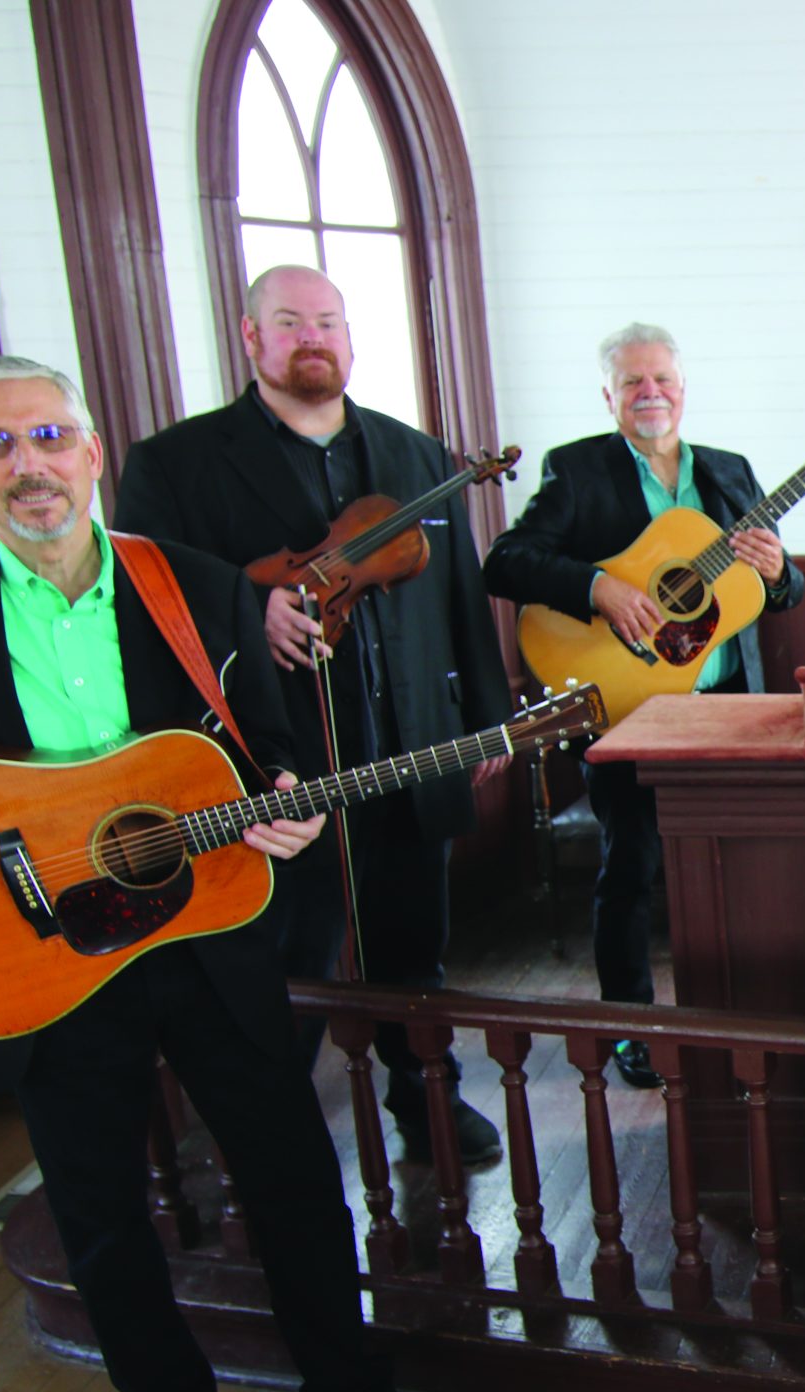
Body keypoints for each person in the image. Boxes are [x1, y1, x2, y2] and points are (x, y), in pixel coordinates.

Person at [0, 356, 476, 1392]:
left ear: (92, 452)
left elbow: (265, 751)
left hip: (203, 930)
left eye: (51, 436)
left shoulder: (196, 586)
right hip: (41, 953)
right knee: (100, 1199)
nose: (31, 466)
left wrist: (288, 805)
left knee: (288, 1170)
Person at [114, 264, 514, 1162]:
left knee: (416, 944)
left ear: (349, 338)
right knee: (281, 955)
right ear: (251, 338)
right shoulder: (174, 463)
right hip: (270, 763)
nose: (312, 338)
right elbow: (144, 596)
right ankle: (268, 1129)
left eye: (327, 322)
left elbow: (460, 591)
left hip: (409, 743)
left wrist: (486, 715)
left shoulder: (414, 454)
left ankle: (427, 1098)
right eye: (289, 322)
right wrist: (243, 609)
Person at [481, 323, 804, 1090]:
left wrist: (781, 565)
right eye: (632, 383)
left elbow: (777, 592)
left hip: (729, 705)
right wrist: (598, 586)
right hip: (626, 700)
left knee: (739, 864)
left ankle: (741, 1014)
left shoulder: (729, 473)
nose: (649, 393)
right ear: (610, 396)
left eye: (661, 379)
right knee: (630, 863)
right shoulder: (578, 471)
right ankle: (630, 1024)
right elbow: (506, 561)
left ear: (683, 390)